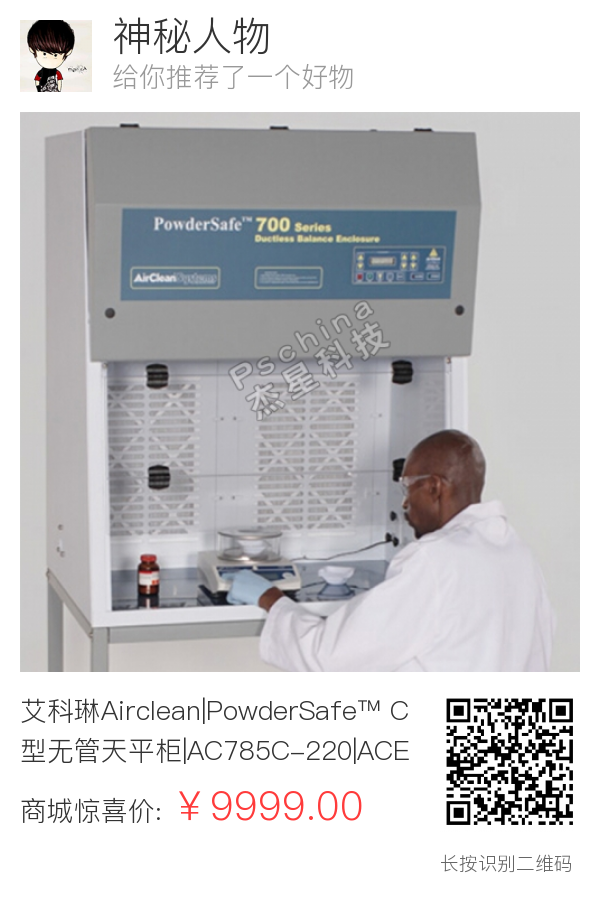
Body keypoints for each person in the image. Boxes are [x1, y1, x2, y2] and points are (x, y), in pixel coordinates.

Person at [227, 430, 555, 671]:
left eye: (408, 486)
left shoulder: (434, 559)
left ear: (434, 487)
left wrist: (270, 598)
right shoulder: (519, 555)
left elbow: (332, 657)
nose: (405, 503)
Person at [27, 20, 75, 92]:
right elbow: (37, 80)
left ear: (68, 52)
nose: (49, 60)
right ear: (32, 50)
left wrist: (58, 90)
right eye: (44, 54)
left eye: (55, 55)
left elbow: (59, 81)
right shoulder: (41, 72)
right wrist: (38, 89)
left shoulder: (56, 72)